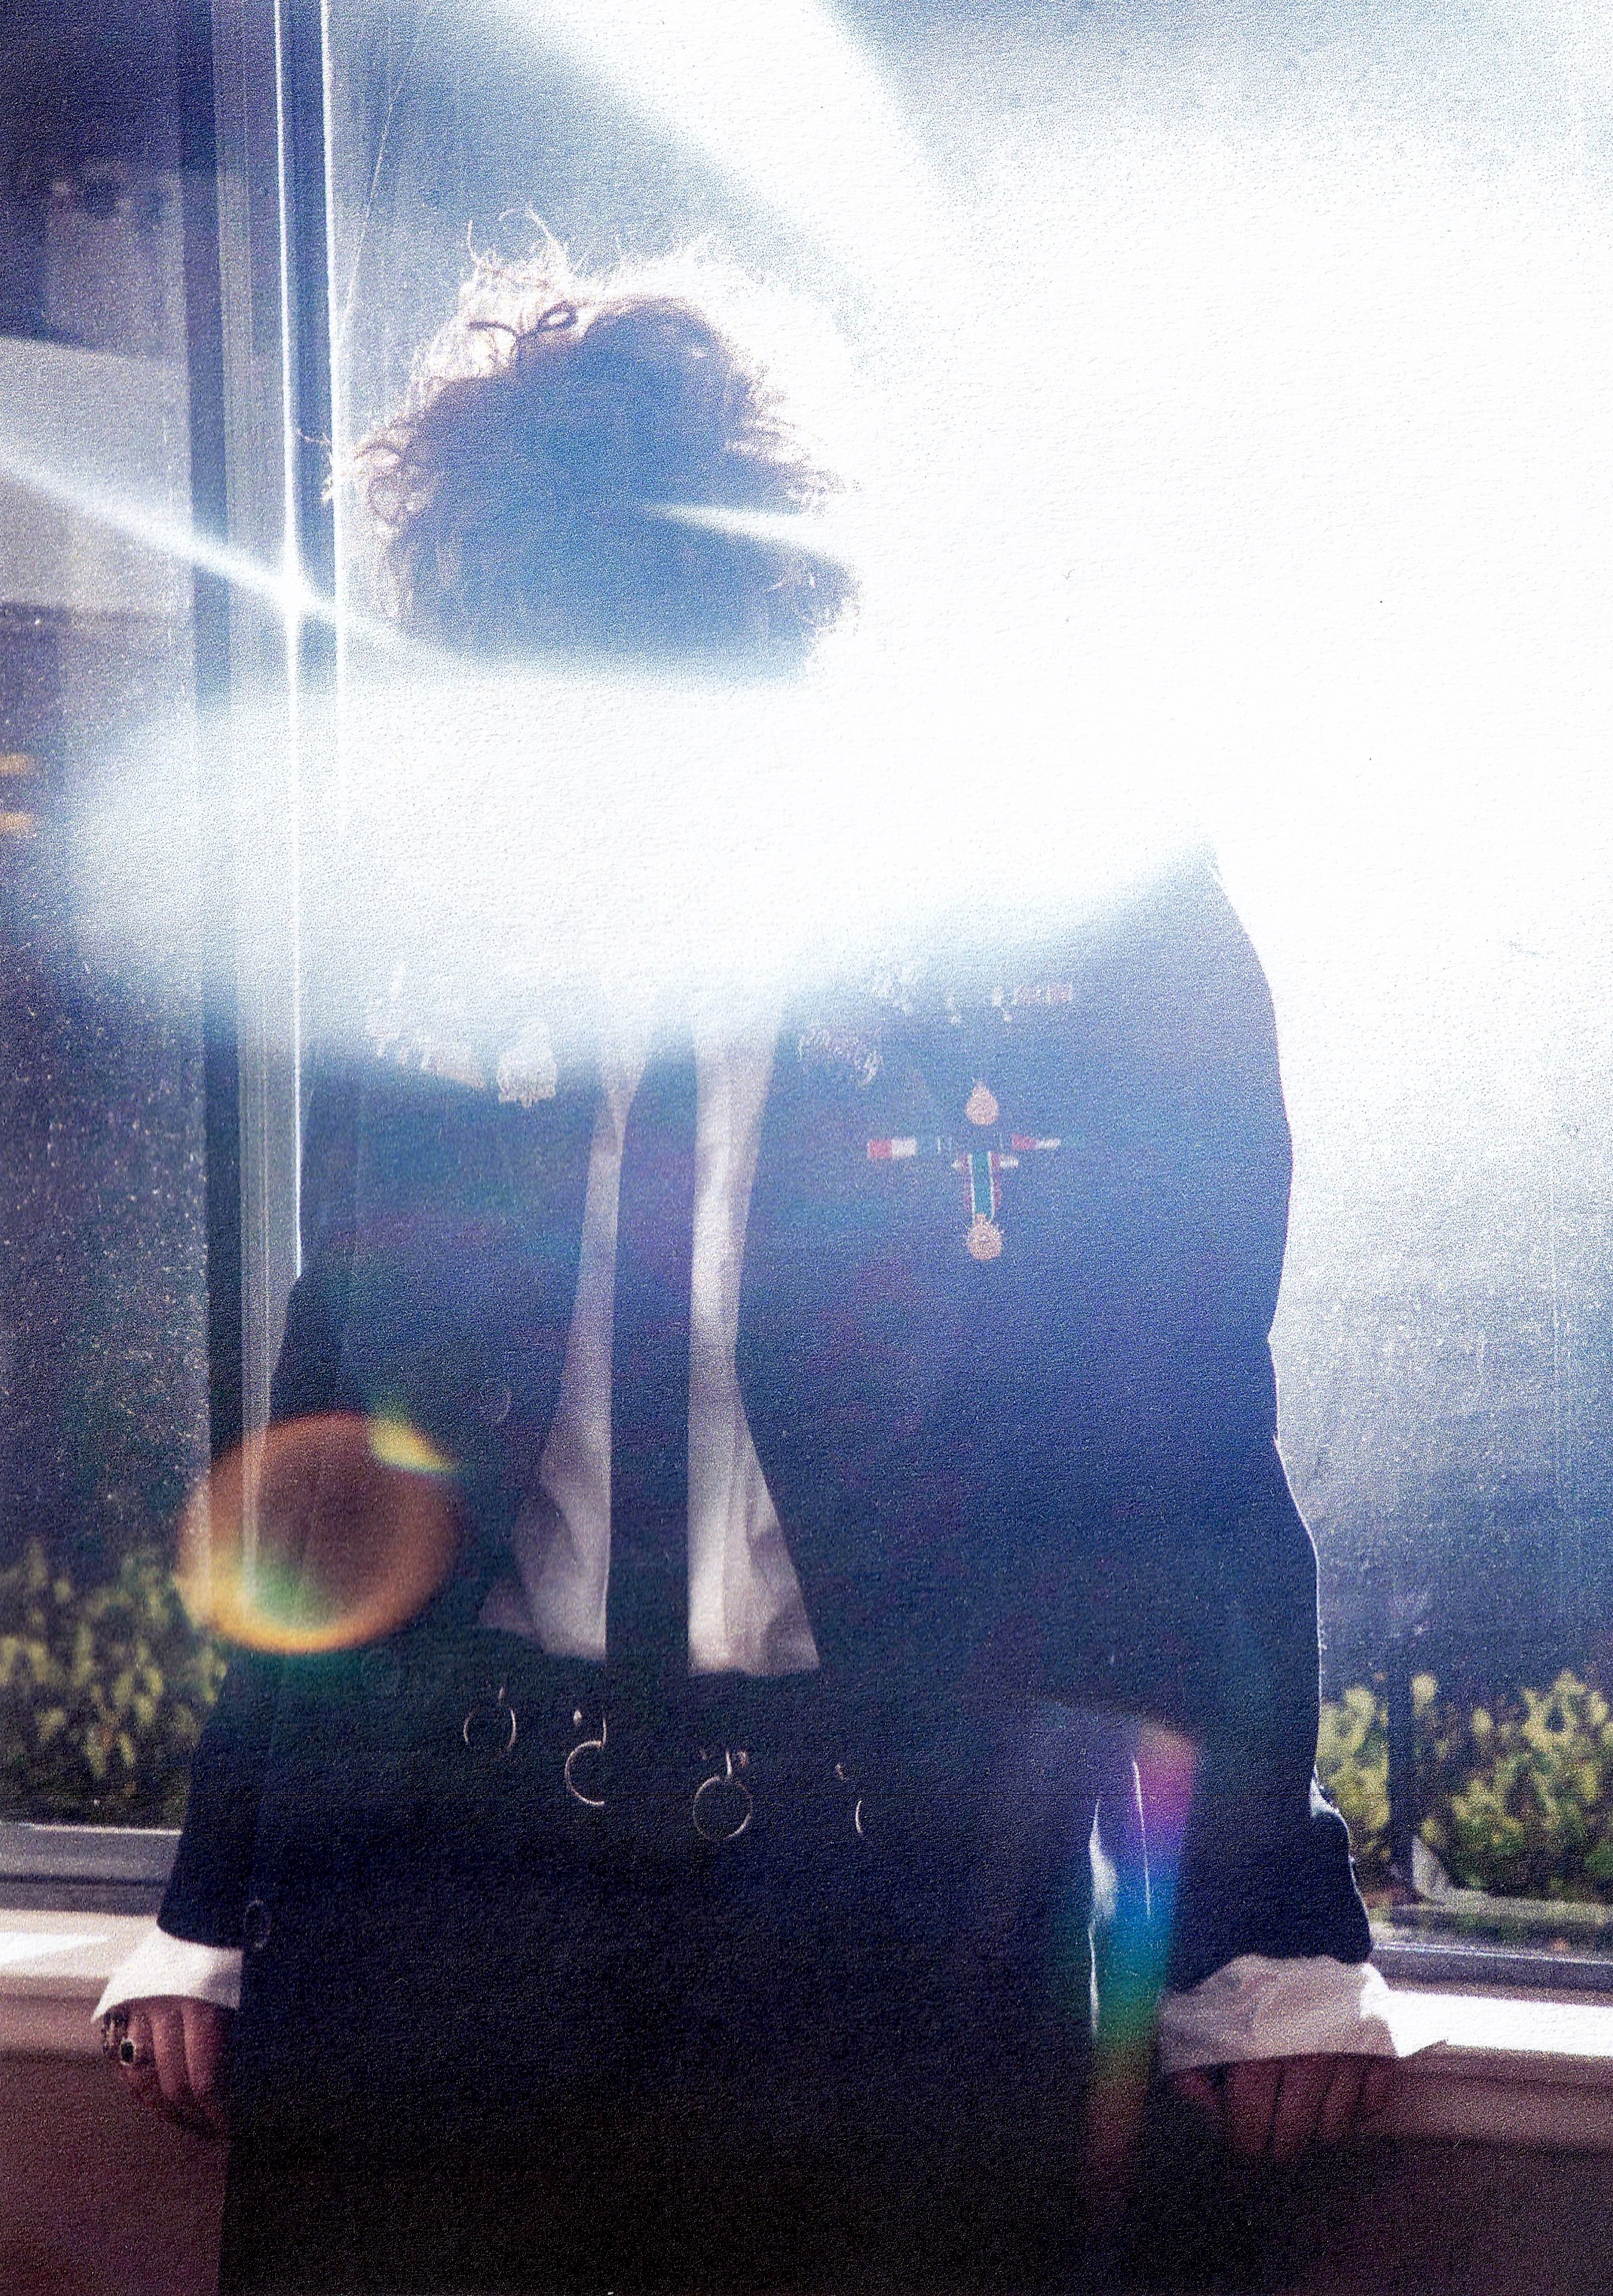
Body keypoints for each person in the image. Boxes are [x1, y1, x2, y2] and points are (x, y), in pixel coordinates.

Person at [97, 245, 1397, 2292]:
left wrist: (1265, 1929)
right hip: (433, 1927)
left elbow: (1183, 1445)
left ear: (785, 599)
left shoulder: (1081, 918)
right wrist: (217, 1895)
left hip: (889, 1943)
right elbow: (332, 1420)